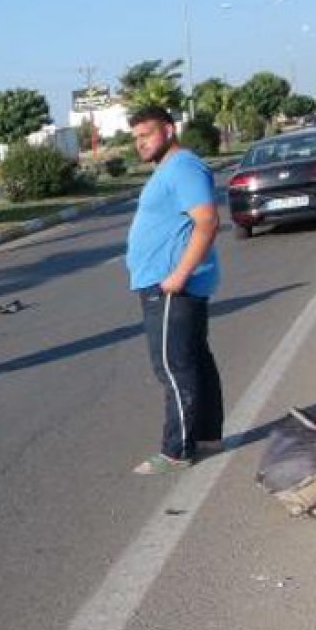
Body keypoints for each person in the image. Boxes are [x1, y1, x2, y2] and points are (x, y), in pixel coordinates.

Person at [125, 106, 225, 475]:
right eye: (136, 137)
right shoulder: (171, 169)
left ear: (168, 130)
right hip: (167, 283)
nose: (140, 143)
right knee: (195, 359)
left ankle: (176, 450)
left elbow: (208, 221)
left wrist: (179, 275)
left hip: (171, 286)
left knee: (172, 367)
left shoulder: (183, 167)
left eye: (146, 134)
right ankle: (208, 436)